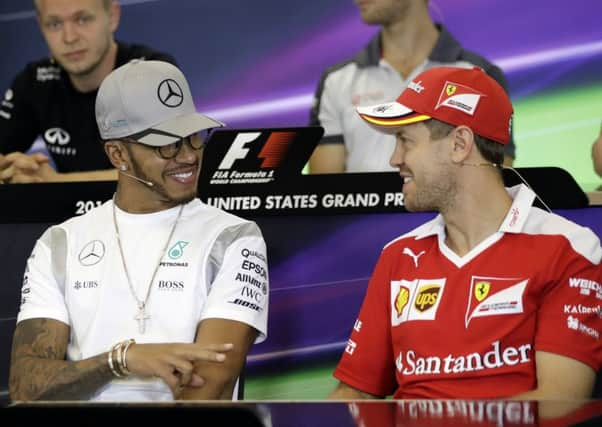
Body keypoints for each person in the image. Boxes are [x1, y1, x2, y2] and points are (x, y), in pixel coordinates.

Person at [329, 66, 602, 399]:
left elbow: (559, 403)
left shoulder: (569, 248)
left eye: (405, 141)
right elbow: (355, 394)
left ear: (460, 144)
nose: (394, 159)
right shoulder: (398, 255)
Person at [8, 59, 269, 401]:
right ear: (118, 154)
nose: (188, 156)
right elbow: (26, 387)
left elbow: (210, 387)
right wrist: (121, 360)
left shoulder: (235, 237)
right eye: (167, 144)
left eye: (193, 137)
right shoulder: (60, 243)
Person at [309, 0, 515, 173]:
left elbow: (494, 182)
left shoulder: (479, 75)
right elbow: (325, 195)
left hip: (448, 221)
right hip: (363, 222)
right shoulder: (336, 80)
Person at [0, 0, 176, 184]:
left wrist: (54, 182)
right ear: (41, 26)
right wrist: (16, 170)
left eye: (82, 19)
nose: (69, 38)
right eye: (55, 24)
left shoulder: (153, 73)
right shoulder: (34, 81)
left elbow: (168, 169)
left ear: (112, 17)